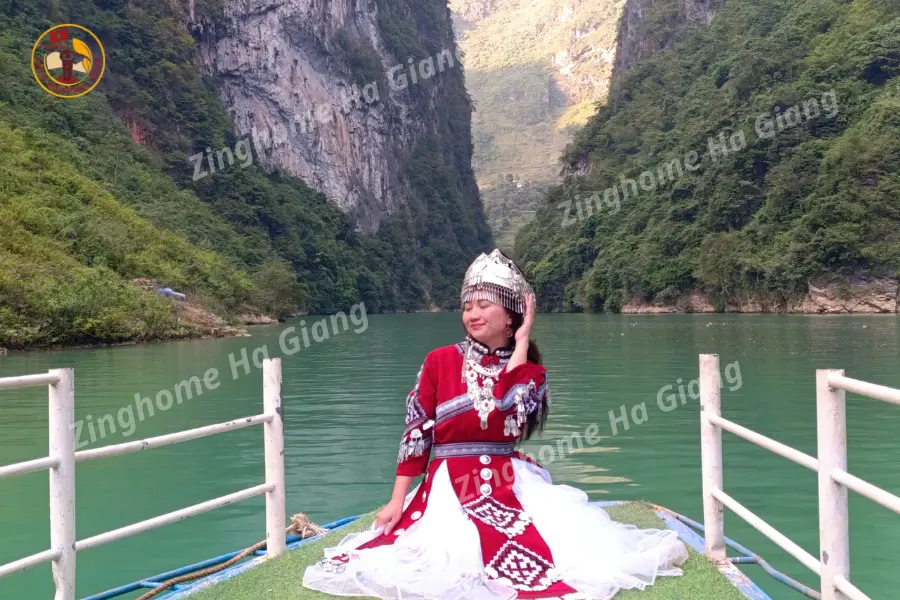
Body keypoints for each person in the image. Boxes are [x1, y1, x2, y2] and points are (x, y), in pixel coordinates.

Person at [302, 249, 688, 600]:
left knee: (563, 552)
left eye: (484, 304)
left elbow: (507, 407)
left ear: (511, 317)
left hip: (509, 478)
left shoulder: (531, 373)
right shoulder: (439, 361)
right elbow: (416, 434)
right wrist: (397, 499)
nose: (473, 313)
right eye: (468, 305)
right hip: (448, 483)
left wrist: (521, 343)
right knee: (432, 557)